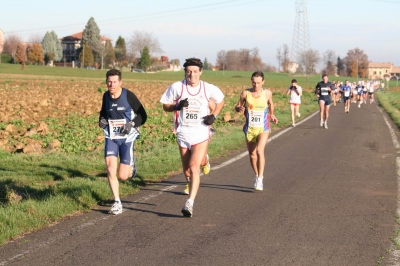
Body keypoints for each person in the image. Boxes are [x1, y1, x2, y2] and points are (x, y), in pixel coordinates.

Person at [160, 58, 225, 217]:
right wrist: (177, 106)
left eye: (195, 71)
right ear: (185, 72)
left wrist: (214, 116)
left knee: (194, 167)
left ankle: (190, 203)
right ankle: (205, 160)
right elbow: (165, 106)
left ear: (200, 72)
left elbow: (221, 101)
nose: (192, 75)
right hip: (183, 133)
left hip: (201, 132)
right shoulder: (177, 87)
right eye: (189, 71)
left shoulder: (207, 88)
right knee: (187, 171)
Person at [99, 69, 147, 215]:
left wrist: (131, 124)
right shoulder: (106, 96)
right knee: (110, 168)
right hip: (112, 137)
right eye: (109, 81)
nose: (111, 84)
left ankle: (131, 166)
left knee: (123, 176)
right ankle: (117, 202)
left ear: (120, 82)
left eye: (114, 82)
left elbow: (143, 116)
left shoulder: (128, 95)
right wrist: (101, 121)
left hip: (127, 138)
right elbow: (103, 113)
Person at [234, 71, 278, 191]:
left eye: (258, 83)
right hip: (250, 128)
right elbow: (237, 106)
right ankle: (257, 175)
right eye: (254, 83)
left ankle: (260, 179)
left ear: (263, 82)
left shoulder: (267, 93)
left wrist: (272, 115)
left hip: (263, 127)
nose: (256, 85)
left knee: (259, 151)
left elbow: (270, 104)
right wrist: (239, 108)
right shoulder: (245, 93)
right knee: (252, 155)